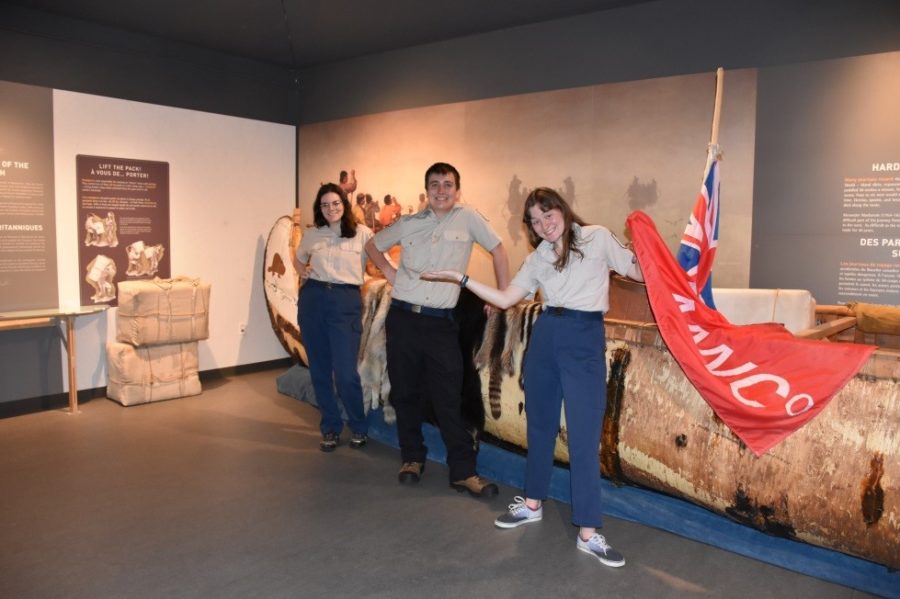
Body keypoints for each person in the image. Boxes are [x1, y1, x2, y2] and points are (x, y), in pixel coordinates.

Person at [421, 187, 643, 567]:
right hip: (546, 337)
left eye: (547, 215)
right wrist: (461, 279)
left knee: (584, 436)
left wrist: (656, 253)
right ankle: (533, 502)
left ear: (562, 209)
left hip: (584, 337)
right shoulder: (539, 257)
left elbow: (639, 270)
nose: (543, 226)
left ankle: (589, 532)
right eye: (535, 223)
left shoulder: (597, 238)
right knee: (538, 427)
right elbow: (508, 299)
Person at [365, 162, 510, 498]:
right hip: (403, 319)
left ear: (457, 190)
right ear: (427, 189)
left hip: (441, 323)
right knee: (405, 392)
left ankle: (464, 471)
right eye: (435, 184)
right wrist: (389, 272)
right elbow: (373, 245)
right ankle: (411, 458)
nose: (441, 190)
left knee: (449, 396)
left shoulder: (469, 218)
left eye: (448, 184)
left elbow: (499, 250)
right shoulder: (411, 223)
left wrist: (503, 296)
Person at [296, 183, 373, 452]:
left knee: (345, 373)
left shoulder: (363, 234)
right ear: (319, 208)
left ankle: (359, 426)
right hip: (313, 300)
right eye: (325, 204)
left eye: (336, 203)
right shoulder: (312, 234)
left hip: (345, 301)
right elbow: (298, 258)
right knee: (319, 370)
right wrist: (302, 271)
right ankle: (330, 427)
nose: (331, 209)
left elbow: (381, 261)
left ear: (345, 204)